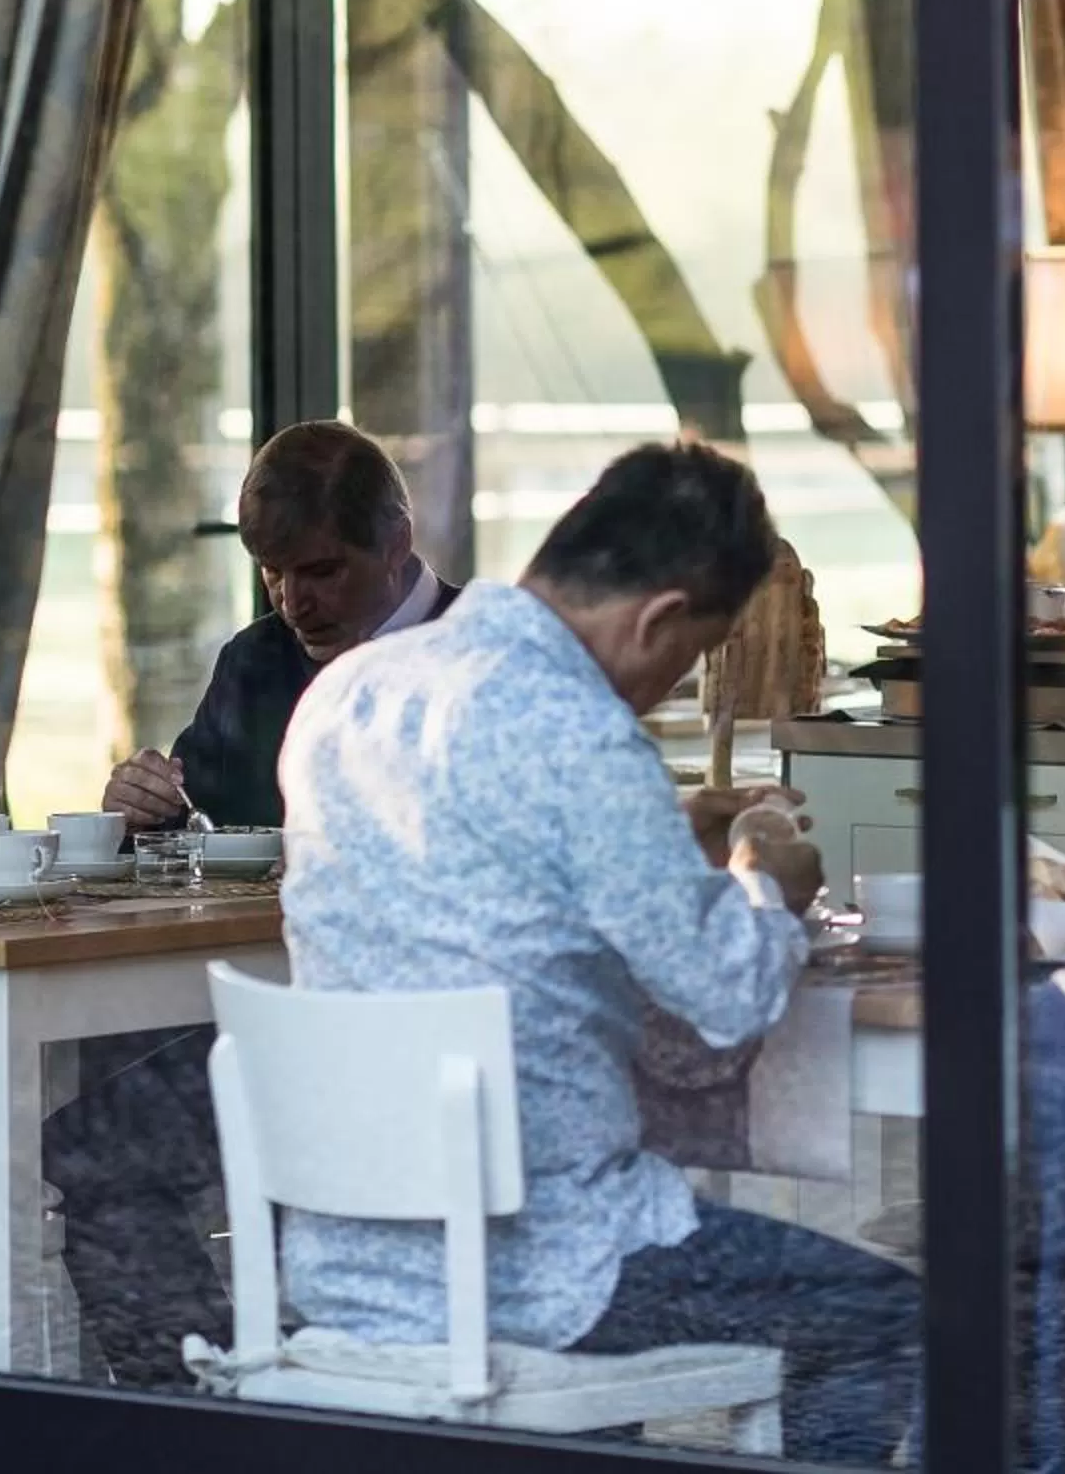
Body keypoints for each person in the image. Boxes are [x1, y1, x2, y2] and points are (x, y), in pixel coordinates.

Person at [278, 441, 908, 1459]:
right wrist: (769, 880)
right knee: (885, 1314)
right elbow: (728, 992)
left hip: (346, 1262)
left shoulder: (347, 693)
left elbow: (490, 879)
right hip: (543, 1267)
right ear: (660, 617)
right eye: (689, 656)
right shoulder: (576, 728)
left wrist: (663, 834)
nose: (671, 685)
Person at [101, 420, 458, 833]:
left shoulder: (489, 658)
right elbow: (190, 829)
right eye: (272, 571)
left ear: (397, 543)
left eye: (321, 572)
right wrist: (139, 811)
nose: (291, 603)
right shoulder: (253, 663)